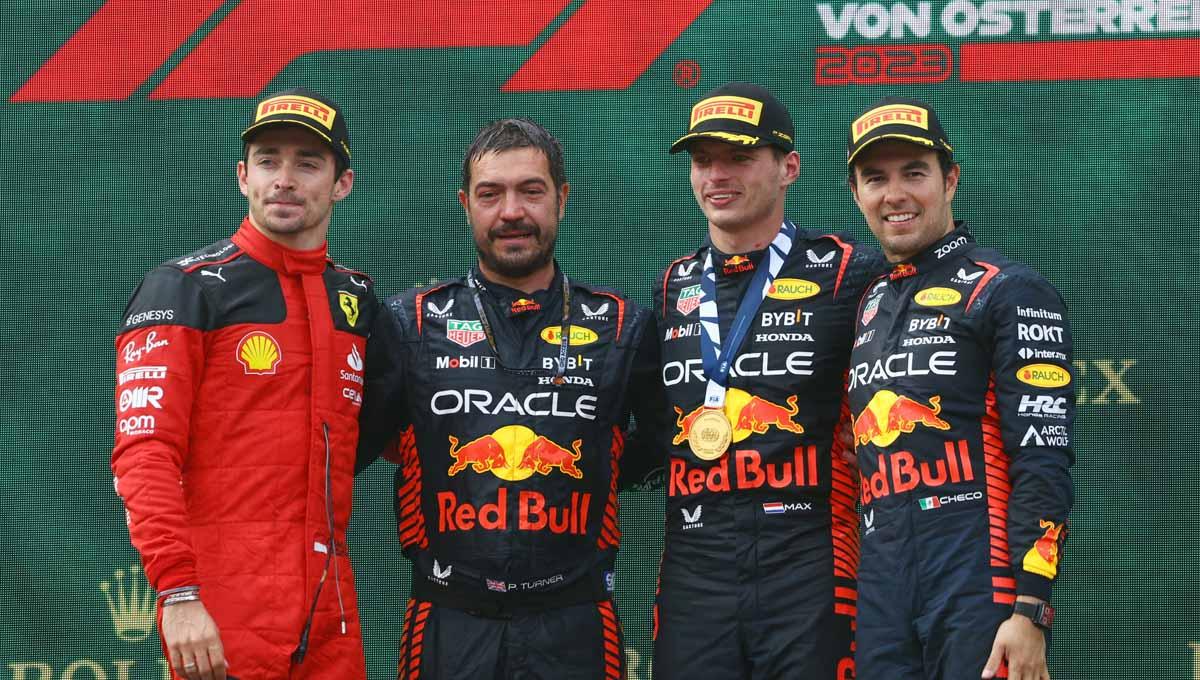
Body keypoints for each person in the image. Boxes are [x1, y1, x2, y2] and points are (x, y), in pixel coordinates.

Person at [356, 118, 661, 679]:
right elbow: (352, 445)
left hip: (577, 622)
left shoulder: (624, 325)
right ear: (465, 203)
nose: (511, 212)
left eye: (531, 190)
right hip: (449, 621)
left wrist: (600, 461)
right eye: (490, 194)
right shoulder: (410, 322)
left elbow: (666, 444)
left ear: (562, 199)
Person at [111, 88, 376, 680]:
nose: (285, 178)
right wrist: (178, 594)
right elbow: (143, 455)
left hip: (331, 611)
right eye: (268, 160)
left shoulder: (354, 298)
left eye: (307, 162)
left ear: (342, 184)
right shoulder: (182, 288)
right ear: (242, 175)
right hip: (221, 608)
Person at [650, 81, 883, 679]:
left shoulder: (847, 270)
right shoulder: (673, 284)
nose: (717, 175)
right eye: (703, 161)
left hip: (808, 560)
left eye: (740, 158)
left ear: (789, 168)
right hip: (694, 568)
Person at [844, 96, 1074, 680]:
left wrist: (1030, 608)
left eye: (913, 174)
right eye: (876, 178)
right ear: (857, 194)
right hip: (882, 588)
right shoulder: (867, 300)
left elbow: (1043, 460)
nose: (894, 194)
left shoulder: (1009, 289)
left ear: (950, 180)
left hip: (981, 582)